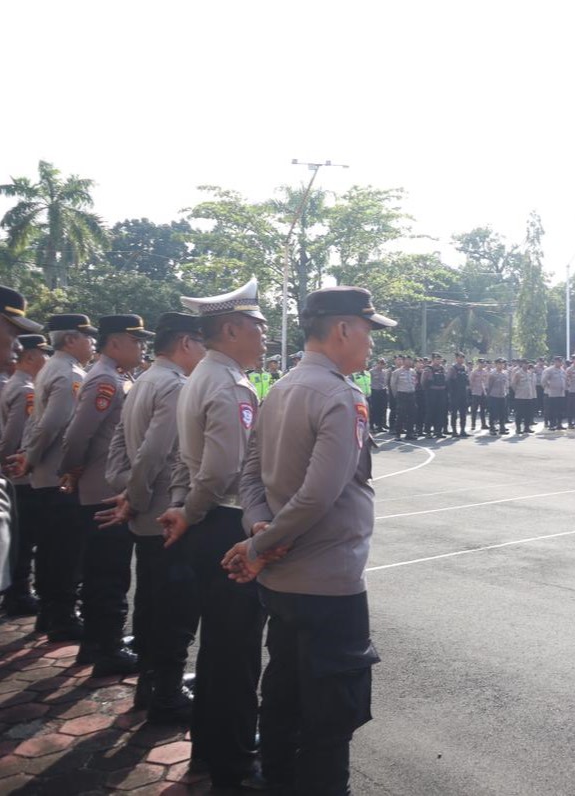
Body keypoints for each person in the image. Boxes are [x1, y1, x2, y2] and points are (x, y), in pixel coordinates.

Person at [227, 286, 393, 796]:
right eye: (367, 330)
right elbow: (319, 495)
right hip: (328, 581)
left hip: (283, 579)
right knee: (331, 711)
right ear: (342, 329)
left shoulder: (279, 388)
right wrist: (259, 545)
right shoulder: (342, 396)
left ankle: (276, 778)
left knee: (284, 689)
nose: (371, 342)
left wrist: (259, 529)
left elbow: (250, 475)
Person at [162, 277, 268, 791]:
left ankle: (209, 747)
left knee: (219, 647)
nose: (265, 336)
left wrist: (186, 509)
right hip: (225, 521)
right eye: (258, 327)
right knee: (236, 652)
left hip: (208, 522)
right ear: (231, 329)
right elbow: (224, 469)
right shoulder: (228, 383)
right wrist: (191, 511)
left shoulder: (203, 374)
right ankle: (234, 763)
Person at [103, 312, 205, 723]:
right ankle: (167, 692)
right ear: (186, 343)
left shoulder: (145, 379)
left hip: (146, 512)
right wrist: (135, 497)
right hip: (165, 514)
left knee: (149, 601)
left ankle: (151, 684)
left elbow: (119, 445)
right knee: (174, 609)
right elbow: (154, 452)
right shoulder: (175, 386)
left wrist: (125, 489)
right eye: (203, 343)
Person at [59, 314, 154, 676]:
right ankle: (106, 649)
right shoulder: (105, 380)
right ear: (114, 343)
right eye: (136, 341)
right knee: (108, 574)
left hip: (104, 487)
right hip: (102, 491)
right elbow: (78, 434)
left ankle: (97, 643)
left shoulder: (115, 377)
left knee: (105, 571)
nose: (142, 348)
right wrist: (71, 470)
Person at [14, 313, 97, 641]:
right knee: (65, 552)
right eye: (87, 337)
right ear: (71, 339)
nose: (92, 343)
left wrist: (30, 457)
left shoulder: (52, 368)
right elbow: (53, 424)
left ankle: (49, 614)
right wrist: (31, 458)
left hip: (46, 474)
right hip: (59, 475)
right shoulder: (68, 373)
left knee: (50, 549)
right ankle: (62, 617)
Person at [0, 328, 50, 617]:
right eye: (43, 354)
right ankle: (18, 594)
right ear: (30, 357)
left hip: (14, 472)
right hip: (19, 473)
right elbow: (13, 436)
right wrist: (9, 462)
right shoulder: (25, 389)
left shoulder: (13, 384)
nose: (46, 359)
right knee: (24, 538)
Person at [421, 353, 448, 440]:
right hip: (431, 392)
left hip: (441, 392)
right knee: (430, 412)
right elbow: (423, 381)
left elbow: (445, 379)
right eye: (437, 359)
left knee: (440, 412)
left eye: (440, 359)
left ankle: (438, 431)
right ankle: (428, 431)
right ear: (432, 360)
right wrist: (427, 391)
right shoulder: (428, 369)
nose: (439, 361)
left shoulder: (442, 368)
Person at [446, 353, 470, 438]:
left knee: (463, 413)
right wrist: (450, 393)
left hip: (463, 393)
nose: (462, 359)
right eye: (460, 357)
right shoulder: (452, 368)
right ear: (456, 358)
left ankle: (462, 430)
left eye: (463, 358)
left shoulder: (464, 368)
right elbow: (448, 380)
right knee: (454, 413)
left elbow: (467, 380)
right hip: (455, 394)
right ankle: (454, 431)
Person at [541, 356, 567, 430]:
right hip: (552, 394)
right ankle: (552, 425)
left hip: (561, 393)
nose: (560, 363)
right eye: (559, 362)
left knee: (560, 410)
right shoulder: (549, 370)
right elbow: (543, 381)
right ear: (555, 362)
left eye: (561, 362)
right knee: (552, 410)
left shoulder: (562, 370)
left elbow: (564, 380)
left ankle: (559, 424)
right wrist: (548, 387)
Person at [486, 358, 509, 435]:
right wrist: (488, 396)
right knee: (493, 413)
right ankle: (492, 428)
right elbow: (489, 385)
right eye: (499, 364)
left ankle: (502, 427)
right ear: (496, 364)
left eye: (502, 364)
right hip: (494, 396)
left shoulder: (505, 373)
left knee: (502, 412)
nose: (501, 365)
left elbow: (506, 384)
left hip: (502, 395)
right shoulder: (492, 374)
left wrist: (506, 393)